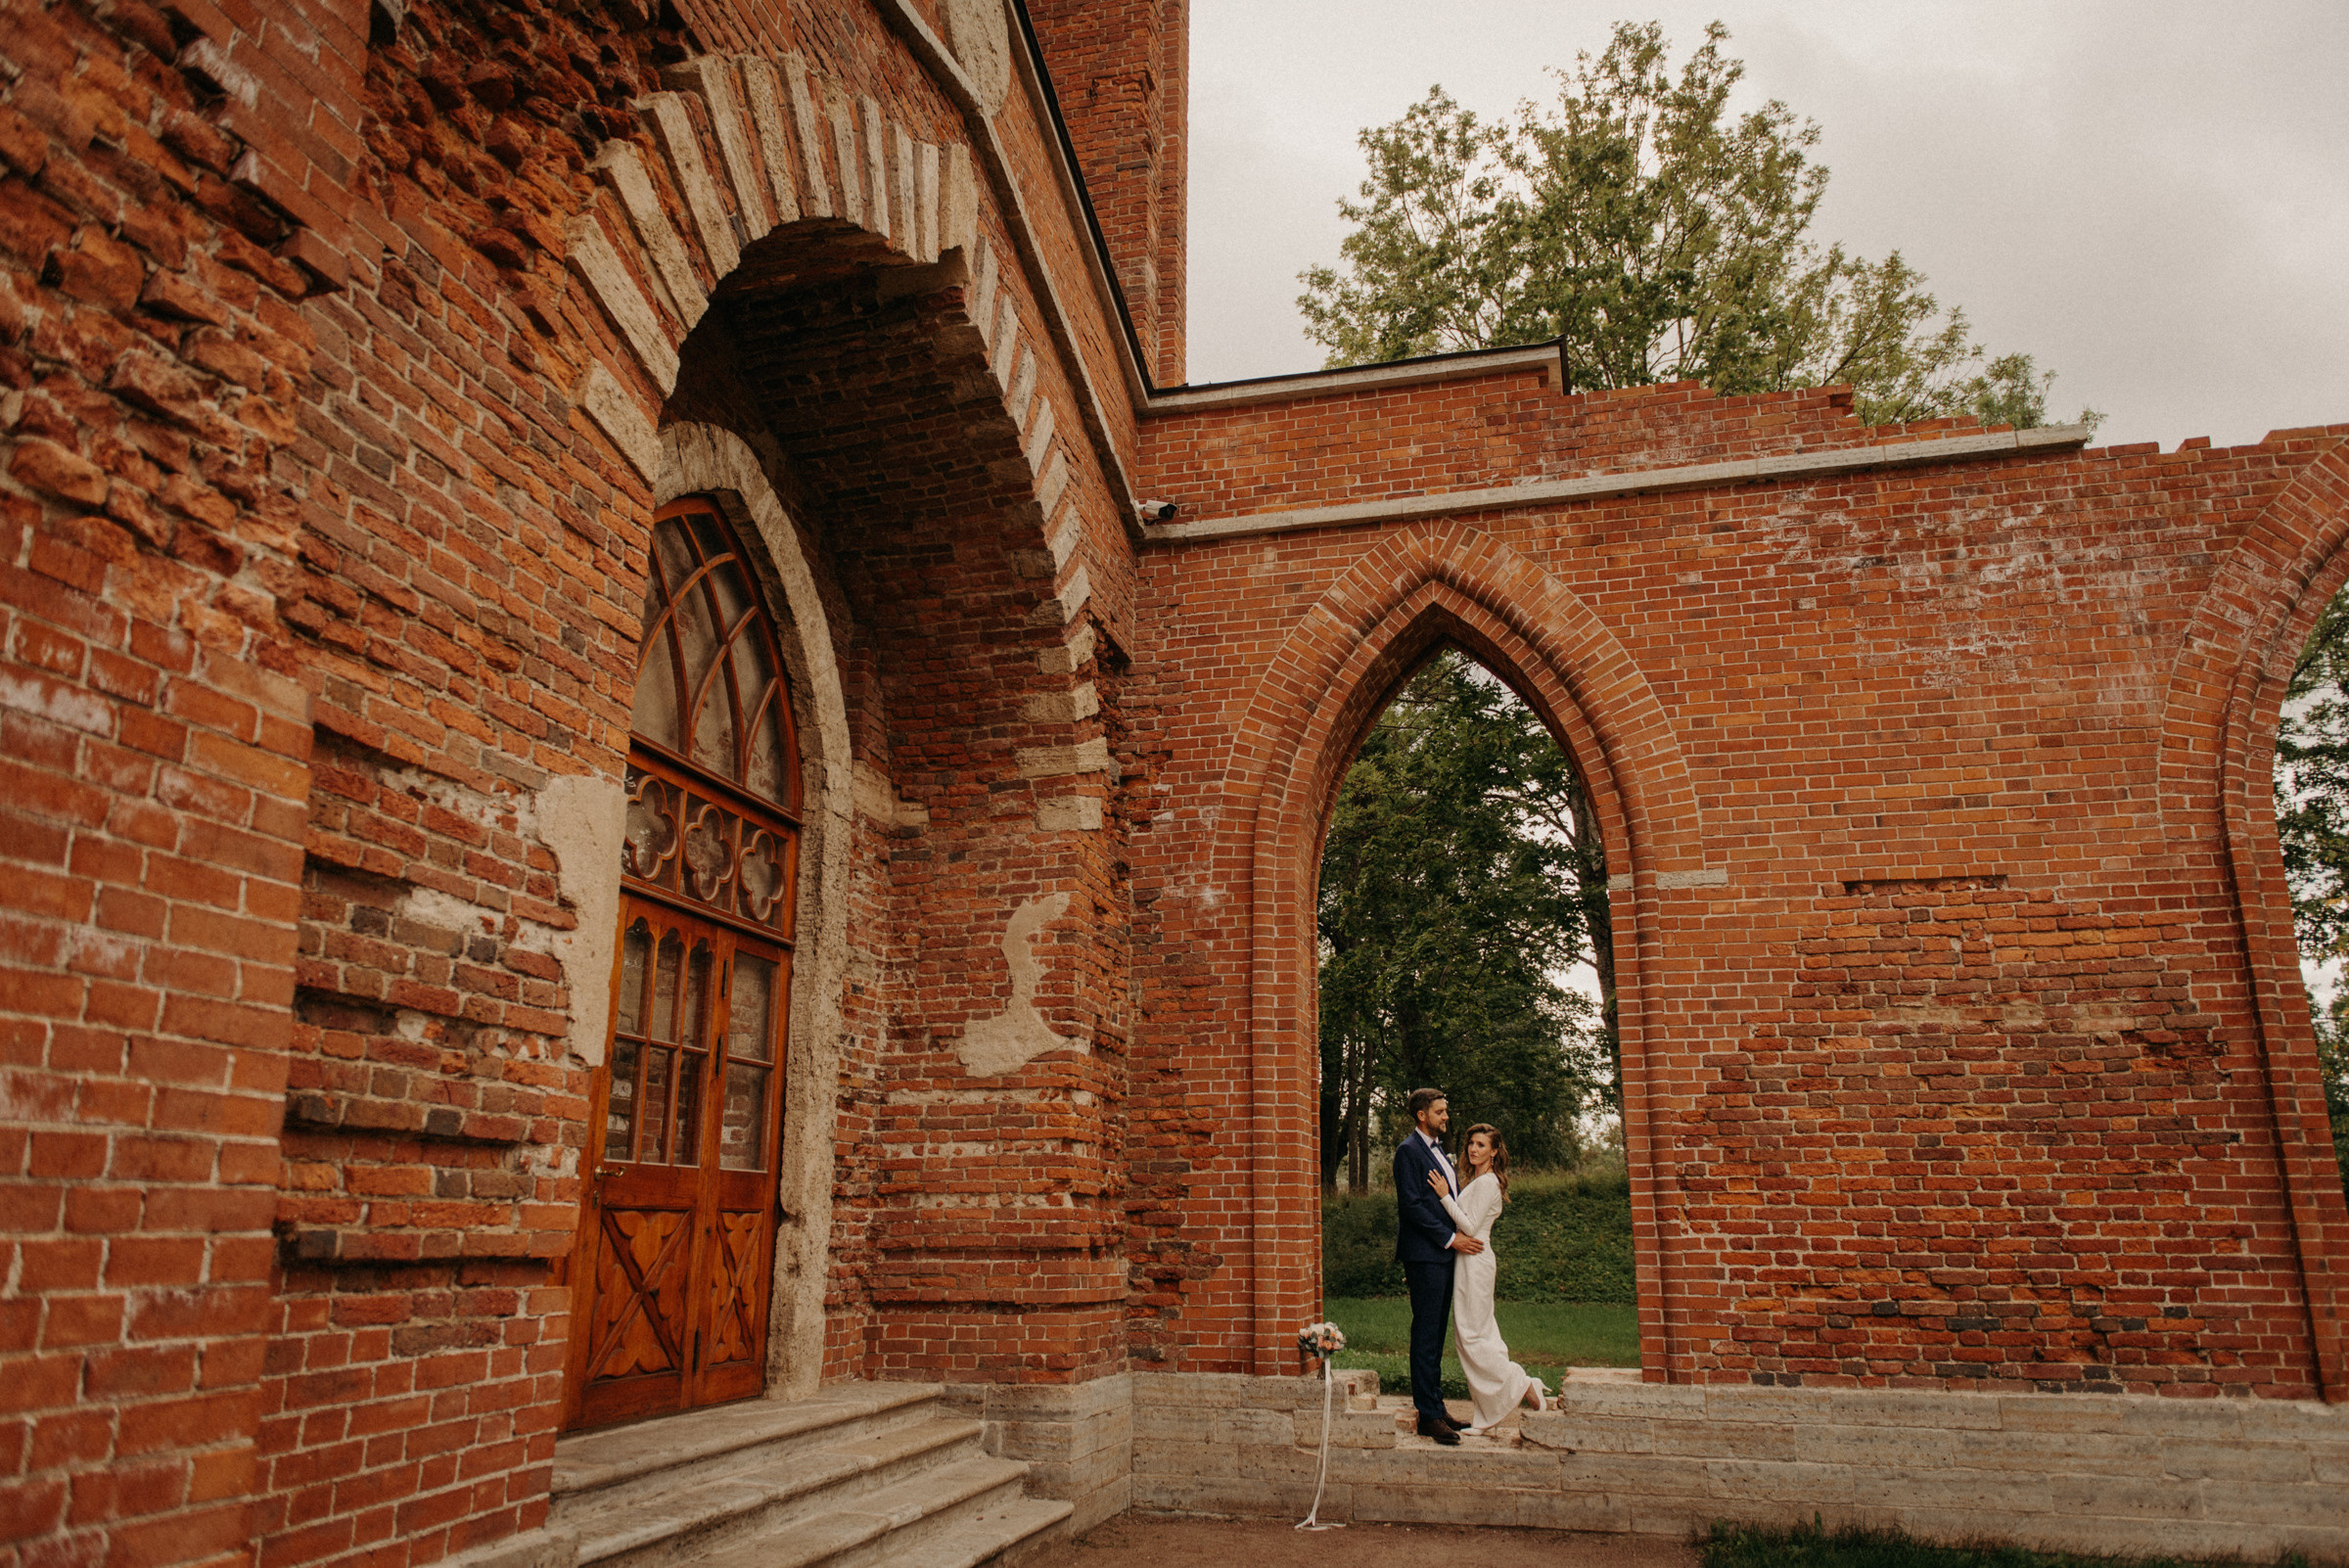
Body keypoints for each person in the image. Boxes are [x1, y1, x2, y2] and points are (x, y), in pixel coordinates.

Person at [1425, 1122, 1548, 1432]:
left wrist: (1443, 1196)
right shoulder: (1475, 1181)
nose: (1473, 1149)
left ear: (1494, 1152)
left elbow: (1468, 1225)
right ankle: (1487, 1412)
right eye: (1472, 1144)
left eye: (1481, 1145)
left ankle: (1522, 1385)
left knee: (1473, 1336)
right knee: (1475, 1335)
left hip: (1476, 1261)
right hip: (1466, 1261)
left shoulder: (1488, 1183)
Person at [1392, 1087, 1482, 1444]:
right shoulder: (1407, 1152)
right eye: (1440, 1111)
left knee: (1436, 1334)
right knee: (1426, 1334)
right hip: (1426, 1255)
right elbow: (1411, 1207)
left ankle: (1437, 1406)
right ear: (1421, 1115)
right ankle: (1428, 1415)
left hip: (1443, 1256)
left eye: (1446, 1111)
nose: (1446, 1117)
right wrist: (1450, 1238)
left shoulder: (1438, 1151)